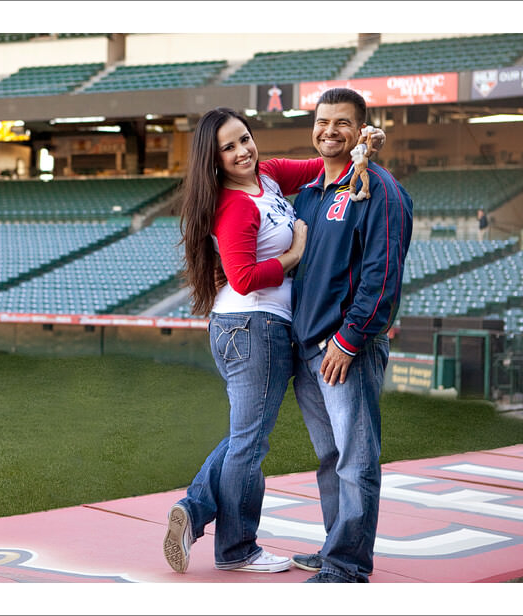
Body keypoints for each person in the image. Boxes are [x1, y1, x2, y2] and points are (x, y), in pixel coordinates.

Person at [163, 107, 385, 574]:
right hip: (254, 325)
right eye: (229, 147)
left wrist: (363, 146)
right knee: (250, 443)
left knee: (246, 436)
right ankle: (236, 548)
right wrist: (296, 253)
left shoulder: (266, 176)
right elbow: (243, 278)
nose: (242, 151)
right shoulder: (235, 204)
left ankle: (196, 507)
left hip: (259, 327)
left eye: (245, 138)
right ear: (214, 158)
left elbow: (325, 165)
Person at [288, 88, 413, 583]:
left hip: (346, 351)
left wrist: (349, 339)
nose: (329, 130)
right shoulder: (311, 193)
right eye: (322, 121)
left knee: (356, 461)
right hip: (308, 350)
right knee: (329, 459)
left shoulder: (379, 189)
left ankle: (348, 564)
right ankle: (335, 545)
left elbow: (383, 275)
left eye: (342, 122)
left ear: (362, 128)